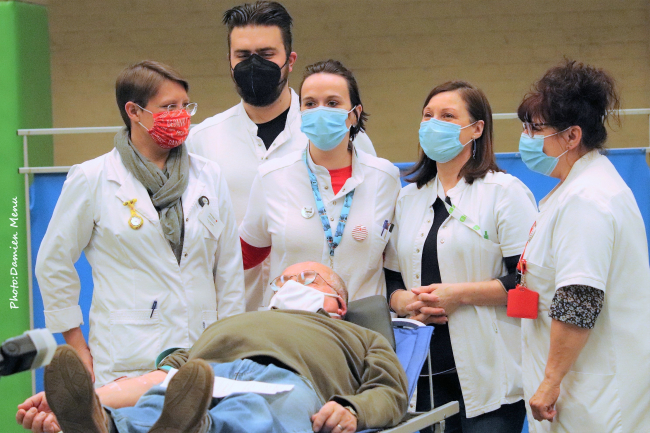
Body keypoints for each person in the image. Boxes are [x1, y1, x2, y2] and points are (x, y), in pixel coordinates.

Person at [35, 61, 245, 387]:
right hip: (129, 357)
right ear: (133, 111)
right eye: (168, 107)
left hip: (205, 353)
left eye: (185, 106)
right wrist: (76, 345)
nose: (181, 115)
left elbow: (229, 268)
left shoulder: (208, 176)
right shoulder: (93, 178)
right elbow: (52, 262)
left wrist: (231, 348)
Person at [17, 262, 409, 433]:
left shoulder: (361, 337)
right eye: (282, 280)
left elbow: (391, 392)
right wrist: (92, 399)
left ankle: (197, 426)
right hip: (204, 376)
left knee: (261, 415)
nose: (288, 285)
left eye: (306, 278)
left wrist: (352, 410)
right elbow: (164, 374)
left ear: (339, 304)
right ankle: (105, 426)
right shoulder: (232, 322)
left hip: (287, 382)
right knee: (160, 400)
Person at [185, 1, 376, 311]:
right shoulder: (202, 141)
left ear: (290, 60)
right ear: (229, 61)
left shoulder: (339, 131)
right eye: (243, 56)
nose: (254, 64)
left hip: (321, 317)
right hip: (232, 312)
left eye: (266, 54)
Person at [384, 81, 537, 432]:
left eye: (448, 116)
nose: (433, 123)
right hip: (421, 373)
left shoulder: (504, 193)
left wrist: (458, 295)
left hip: (490, 373)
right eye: (428, 115)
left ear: (477, 128)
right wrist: (403, 300)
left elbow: (528, 284)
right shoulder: (409, 198)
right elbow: (391, 278)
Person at [515, 60, 650, 432]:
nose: (526, 137)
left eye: (536, 128)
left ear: (572, 136)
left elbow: (579, 298)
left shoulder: (587, 199)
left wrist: (549, 381)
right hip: (581, 391)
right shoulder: (577, 189)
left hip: (593, 398)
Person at [239, 59, 400, 305]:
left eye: (333, 103)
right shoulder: (271, 177)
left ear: (355, 114)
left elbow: (397, 261)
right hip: (293, 327)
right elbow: (244, 256)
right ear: (301, 113)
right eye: (310, 104)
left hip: (363, 331)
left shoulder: (385, 178)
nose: (320, 111)